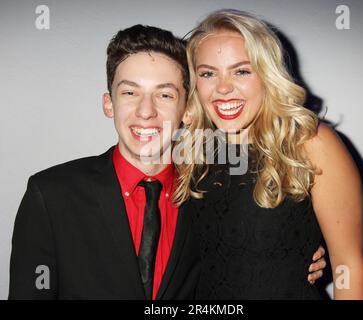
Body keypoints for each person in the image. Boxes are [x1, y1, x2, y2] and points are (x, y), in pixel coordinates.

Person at [9, 24, 325, 300]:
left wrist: (294, 258)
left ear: (188, 110)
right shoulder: (51, 195)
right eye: (130, 93)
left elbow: (247, 258)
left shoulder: (208, 193)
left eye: (164, 95)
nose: (145, 111)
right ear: (109, 104)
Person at [176, 9, 363, 299]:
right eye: (208, 74)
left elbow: (349, 266)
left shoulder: (311, 142)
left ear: (267, 75)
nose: (224, 88)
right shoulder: (190, 152)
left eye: (241, 70)